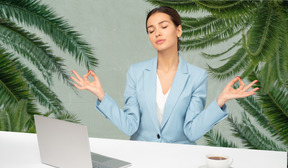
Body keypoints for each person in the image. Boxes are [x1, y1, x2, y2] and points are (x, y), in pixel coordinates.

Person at [71, 6, 259, 145]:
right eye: (151, 30)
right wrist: (101, 95)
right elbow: (130, 126)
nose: (157, 33)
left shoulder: (196, 76)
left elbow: (192, 132)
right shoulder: (136, 72)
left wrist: (221, 100)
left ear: (178, 30)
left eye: (163, 26)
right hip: (142, 157)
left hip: (180, 159)